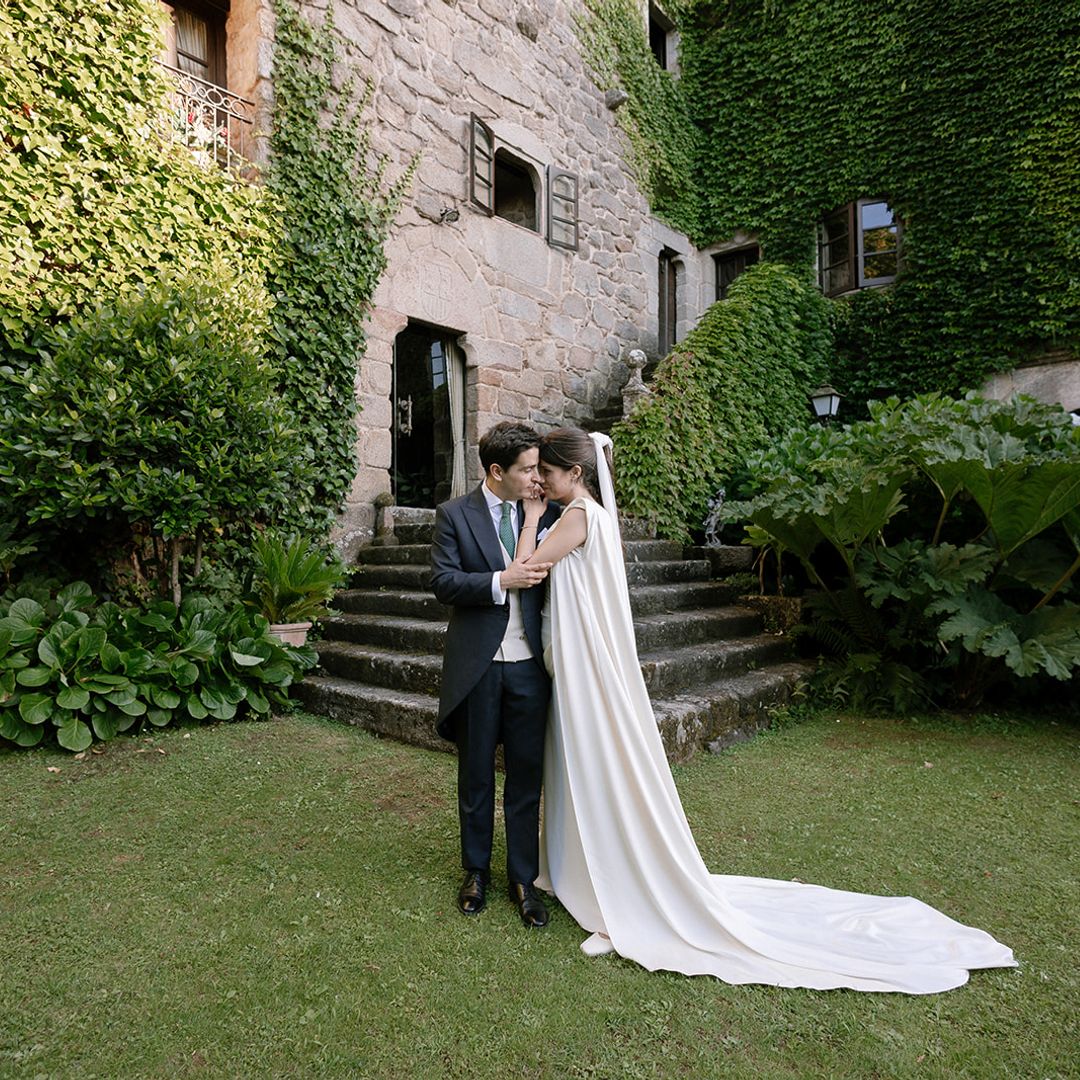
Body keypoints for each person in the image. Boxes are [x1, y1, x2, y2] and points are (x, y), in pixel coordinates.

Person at [514, 426, 1016, 993]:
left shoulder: (577, 517)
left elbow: (527, 569)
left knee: (593, 764)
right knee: (586, 764)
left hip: (587, 667)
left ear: (575, 473)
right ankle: (583, 868)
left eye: (549, 475)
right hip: (588, 660)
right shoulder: (598, 518)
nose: (542, 483)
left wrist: (531, 519)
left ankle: (615, 888)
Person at [430, 421, 562, 927]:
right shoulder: (454, 516)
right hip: (478, 669)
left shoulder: (547, 513)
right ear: (495, 471)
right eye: (528, 469)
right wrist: (498, 581)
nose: (537, 478)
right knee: (476, 775)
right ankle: (477, 871)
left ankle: (523, 879)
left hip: (531, 669)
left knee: (526, 778)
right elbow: (443, 581)